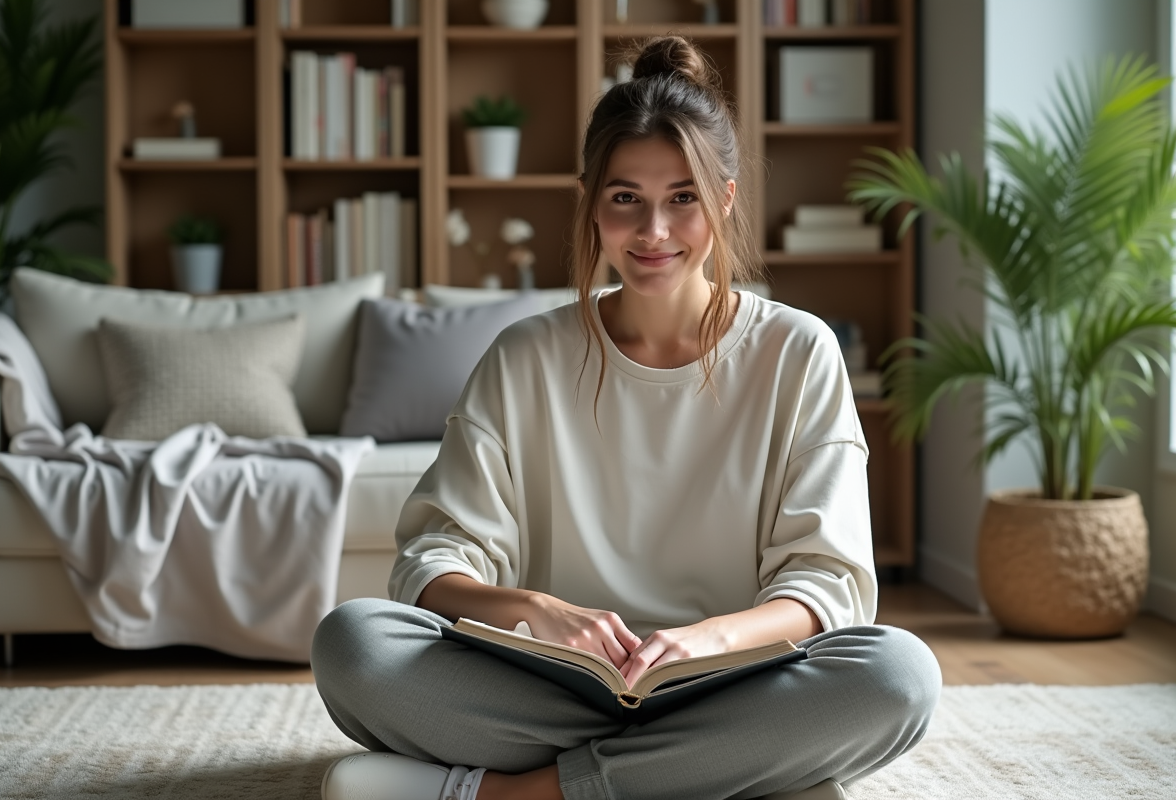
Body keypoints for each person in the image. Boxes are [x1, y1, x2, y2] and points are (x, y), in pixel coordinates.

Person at [311, 35, 941, 800]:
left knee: (899, 676)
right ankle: (725, 770)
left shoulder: (798, 351)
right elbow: (431, 561)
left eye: (683, 198)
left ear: (726, 199)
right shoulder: (525, 357)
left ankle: (515, 794)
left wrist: (705, 639)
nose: (654, 233)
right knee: (353, 643)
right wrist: (537, 612)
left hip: (734, 681)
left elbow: (828, 587)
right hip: (555, 691)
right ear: (591, 200)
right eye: (625, 200)